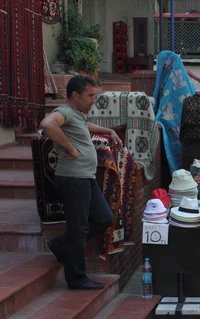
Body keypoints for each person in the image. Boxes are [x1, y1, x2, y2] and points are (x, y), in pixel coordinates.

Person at [39, 76, 123, 290]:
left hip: (84, 177)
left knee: (104, 217)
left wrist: (109, 130)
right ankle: (76, 279)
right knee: (78, 228)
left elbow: (84, 124)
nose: (93, 100)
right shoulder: (64, 112)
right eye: (90, 95)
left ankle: (60, 244)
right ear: (75, 95)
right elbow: (47, 124)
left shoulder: (74, 114)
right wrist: (71, 148)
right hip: (73, 178)